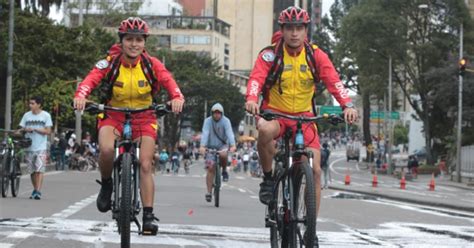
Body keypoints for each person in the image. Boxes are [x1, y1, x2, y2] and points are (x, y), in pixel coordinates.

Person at [245, 6, 358, 246]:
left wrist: (347, 104)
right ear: (282, 30)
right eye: (289, 28)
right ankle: (267, 179)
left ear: (306, 30)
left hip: (305, 118)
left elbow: (334, 81)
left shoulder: (316, 55)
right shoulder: (270, 55)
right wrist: (252, 100)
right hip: (275, 114)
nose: (294, 33)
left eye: (299, 28)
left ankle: (310, 230)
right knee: (264, 131)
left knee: (315, 170)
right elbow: (256, 79)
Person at [73, 17, 185, 235]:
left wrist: (177, 98)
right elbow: (89, 80)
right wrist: (80, 95)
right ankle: (107, 185)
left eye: (139, 40)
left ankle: (149, 215)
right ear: (121, 41)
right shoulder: (109, 62)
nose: (134, 44)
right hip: (113, 114)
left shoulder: (152, 64)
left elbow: (170, 83)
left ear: (145, 43)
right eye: (129, 39)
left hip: (144, 116)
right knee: (105, 149)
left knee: (145, 163)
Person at [199, 103, 236, 202]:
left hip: (222, 146)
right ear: (212, 113)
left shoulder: (226, 121)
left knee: (223, 155)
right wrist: (202, 146)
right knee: (210, 168)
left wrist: (232, 145)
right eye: (215, 113)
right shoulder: (207, 121)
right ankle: (209, 192)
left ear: (222, 113)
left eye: (219, 113)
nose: (217, 115)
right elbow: (205, 133)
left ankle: (224, 171)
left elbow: (229, 133)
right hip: (210, 147)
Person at [18, 96, 53, 200]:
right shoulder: (26, 115)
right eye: (30, 103)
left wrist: (35, 129)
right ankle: (35, 189)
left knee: (39, 170)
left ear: (39, 104)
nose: (30, 105)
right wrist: (24, 129)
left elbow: (48, 131)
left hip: (41, 147)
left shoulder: (46, 115)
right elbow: (21, 128)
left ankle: (38, 191)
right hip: (29, 147)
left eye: (33, 103)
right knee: (32, 171)